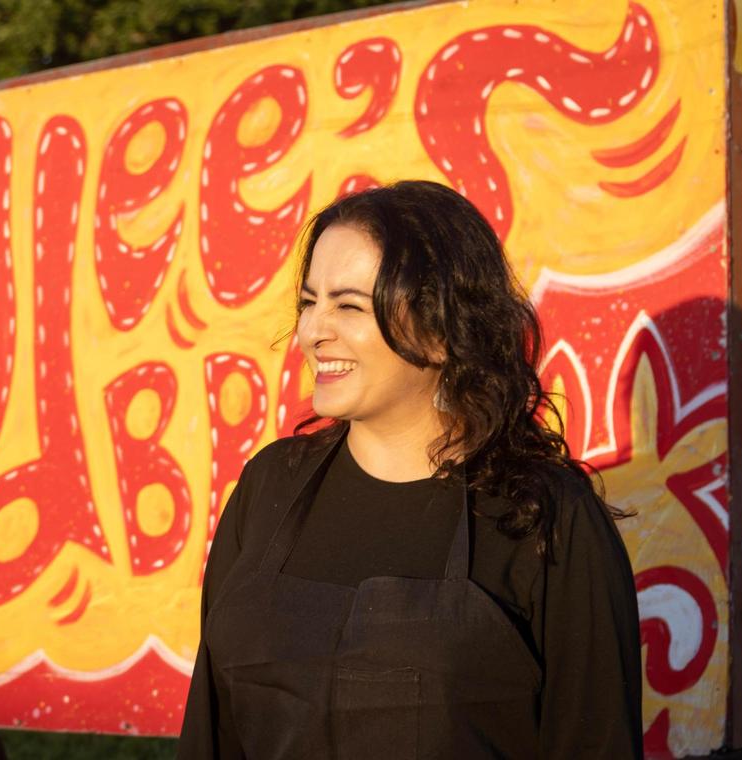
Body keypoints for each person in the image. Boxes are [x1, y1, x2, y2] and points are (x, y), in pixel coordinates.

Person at [176, 180, 643, 759]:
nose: (311, 333)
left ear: (444, 330)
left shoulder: (546, 520)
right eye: (308, 302)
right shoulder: (268, 487)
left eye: (348, 305)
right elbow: (211, 733)